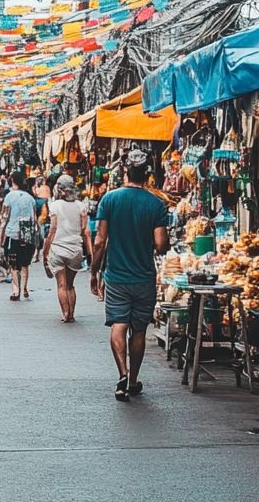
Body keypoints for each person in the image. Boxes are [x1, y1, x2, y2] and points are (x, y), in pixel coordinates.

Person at [91, 150, 169, 401]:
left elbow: (100, 240)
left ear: (125, 171)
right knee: (138, 330)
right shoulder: (156, 204)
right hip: (144, 275)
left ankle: (122, 375)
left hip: (116, 275)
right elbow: (160, 244)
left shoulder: (109, 199)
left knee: (118, 324)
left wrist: (94, 271)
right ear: (147, 175)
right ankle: (133, 378)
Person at [42, 175, 91, 323]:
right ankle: (72, 313)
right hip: (75, 249)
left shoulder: (54, 205)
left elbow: (53, 229)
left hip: (58, 248)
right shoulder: (80, 205)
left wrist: (46, 249)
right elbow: (85, 230)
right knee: (70, 285)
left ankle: (65, 313)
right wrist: (90, 252)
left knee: (61, 284)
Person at [0, 172, 37, 301]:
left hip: (13, 231)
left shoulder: (9, 196)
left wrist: (1, 235)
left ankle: (16, 290)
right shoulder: (30, 198)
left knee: (14, 262)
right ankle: (25, 287)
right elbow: (35, 218)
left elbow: (4, 217)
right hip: (27, 230)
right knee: (25, 263)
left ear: (12, 181)